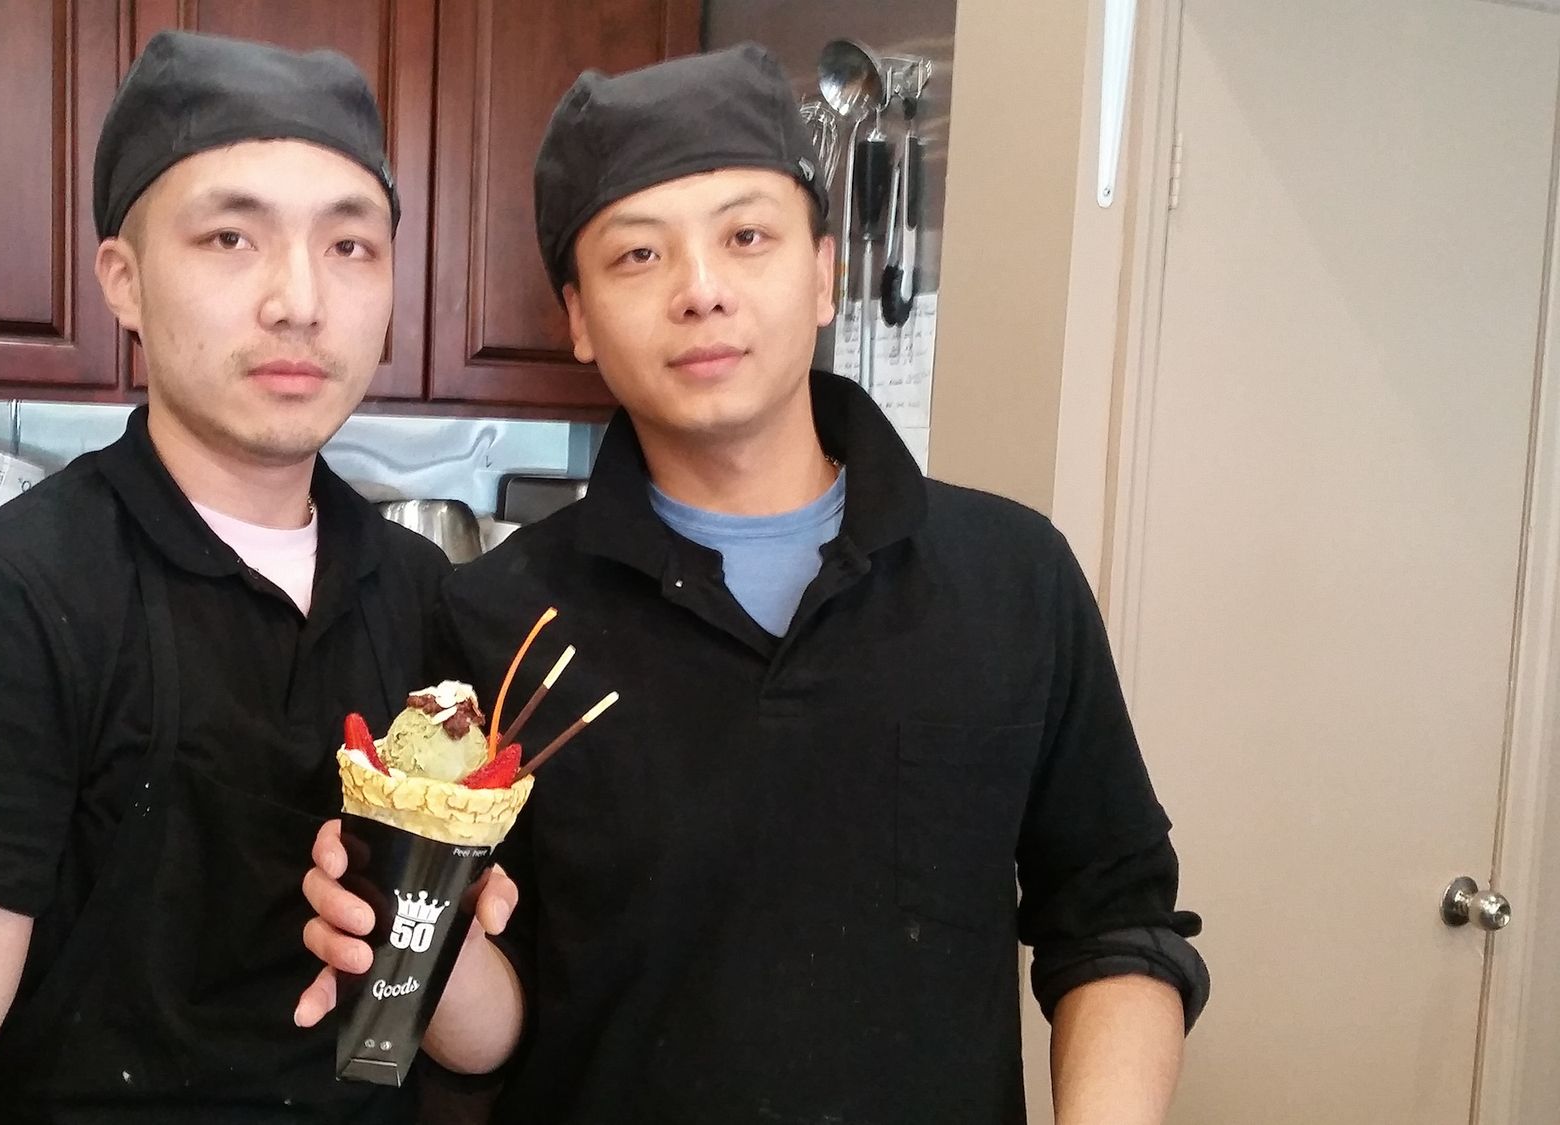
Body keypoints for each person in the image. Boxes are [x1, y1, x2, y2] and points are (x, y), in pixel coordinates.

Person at [297, 43, 1208, 1124]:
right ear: (577, 317)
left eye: (745, 236)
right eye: (637, 256)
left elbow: (1113, 917)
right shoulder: (499, 619)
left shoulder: (1011, 580)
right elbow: (495, 1036)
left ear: (821, 272)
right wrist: (409, 932)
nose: (700, 291)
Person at [0, 31, 448, 1124]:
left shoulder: (420, 594)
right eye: (229, 237)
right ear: (125, 280)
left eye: (350, 247)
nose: (298, 299)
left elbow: (450, 1021)